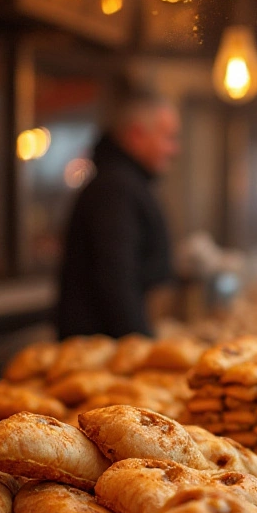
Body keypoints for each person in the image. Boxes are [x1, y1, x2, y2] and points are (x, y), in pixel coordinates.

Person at [56, 90, 179, 338]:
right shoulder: (116, 189)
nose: (174, 149)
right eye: (168, 137)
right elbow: (116, 280)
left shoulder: (124, 182)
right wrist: (140, 345)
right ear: (136, 135)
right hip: (100, 352)